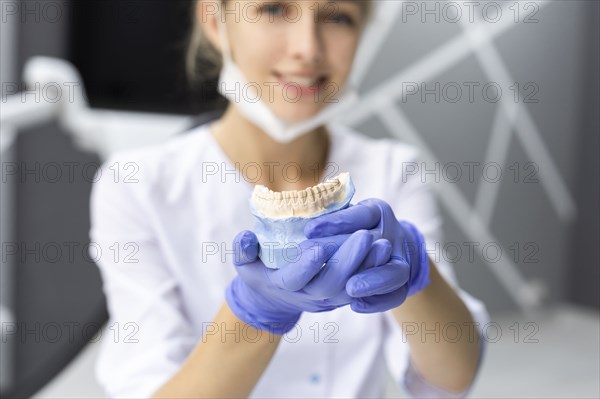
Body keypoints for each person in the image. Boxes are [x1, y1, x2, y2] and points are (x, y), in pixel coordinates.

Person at [90, 1, 489, 397]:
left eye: (337, 17)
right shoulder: (135, 185)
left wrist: (419, 275)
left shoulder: (393, 171)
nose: (308, 48)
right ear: (216, 21)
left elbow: (451, 379)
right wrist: (256, 313)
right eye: (274, 9)